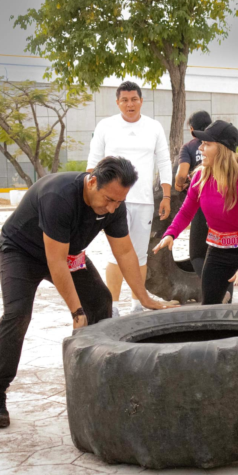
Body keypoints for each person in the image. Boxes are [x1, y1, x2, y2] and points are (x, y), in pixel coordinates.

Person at [0, 157, 174, 428]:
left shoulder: (114, 205)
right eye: (108, 199)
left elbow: (123, 251)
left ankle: (96, 378)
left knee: (100, 300)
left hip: (66, 254)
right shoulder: (58, 196)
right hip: (20, 252)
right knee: (17, 313)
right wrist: (76, 311)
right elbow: (55, 261)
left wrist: (143, 296)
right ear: (93, 180)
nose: (111, 208)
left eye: (118, 202)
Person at [155, 120, 238, 305]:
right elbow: (186, 211)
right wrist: (171, 233)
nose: (201, 148)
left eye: (207, 144)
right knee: (209, 305)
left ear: (223, 149)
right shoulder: (200, 177)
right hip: (219, 249)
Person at [87, 81, 173, 316]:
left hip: (144, 201)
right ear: (117, 102)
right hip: (111, 201)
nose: (129, 104)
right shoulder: (106, 126)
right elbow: (92, 165)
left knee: (139, 253)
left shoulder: (154, 127)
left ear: (141, 101)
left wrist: (166, 196)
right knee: (114, 253)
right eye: (124, 100)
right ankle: (112, 305)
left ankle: (137, 302)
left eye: (134, 99)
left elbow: (164, 162)